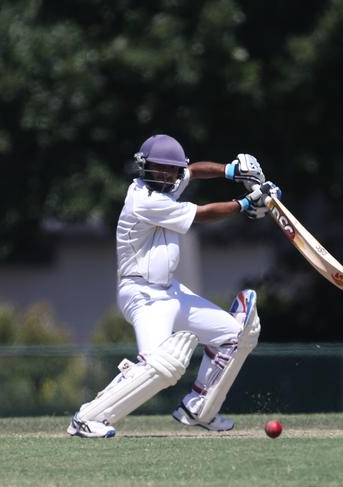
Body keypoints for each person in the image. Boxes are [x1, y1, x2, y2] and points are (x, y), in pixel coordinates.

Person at [66, 134, 280, 438]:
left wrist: (231, 171)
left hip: (171, 292)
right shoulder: (144, 200)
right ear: (144, 166)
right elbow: (201, 215)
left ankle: (199, 410)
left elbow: (193, 171)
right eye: (160, 168)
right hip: (142, 295)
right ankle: (87, 418)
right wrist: (244, 202)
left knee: (234, 336)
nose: (167, 175)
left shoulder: (169, 181)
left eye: (171, 169)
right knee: (160, 367)